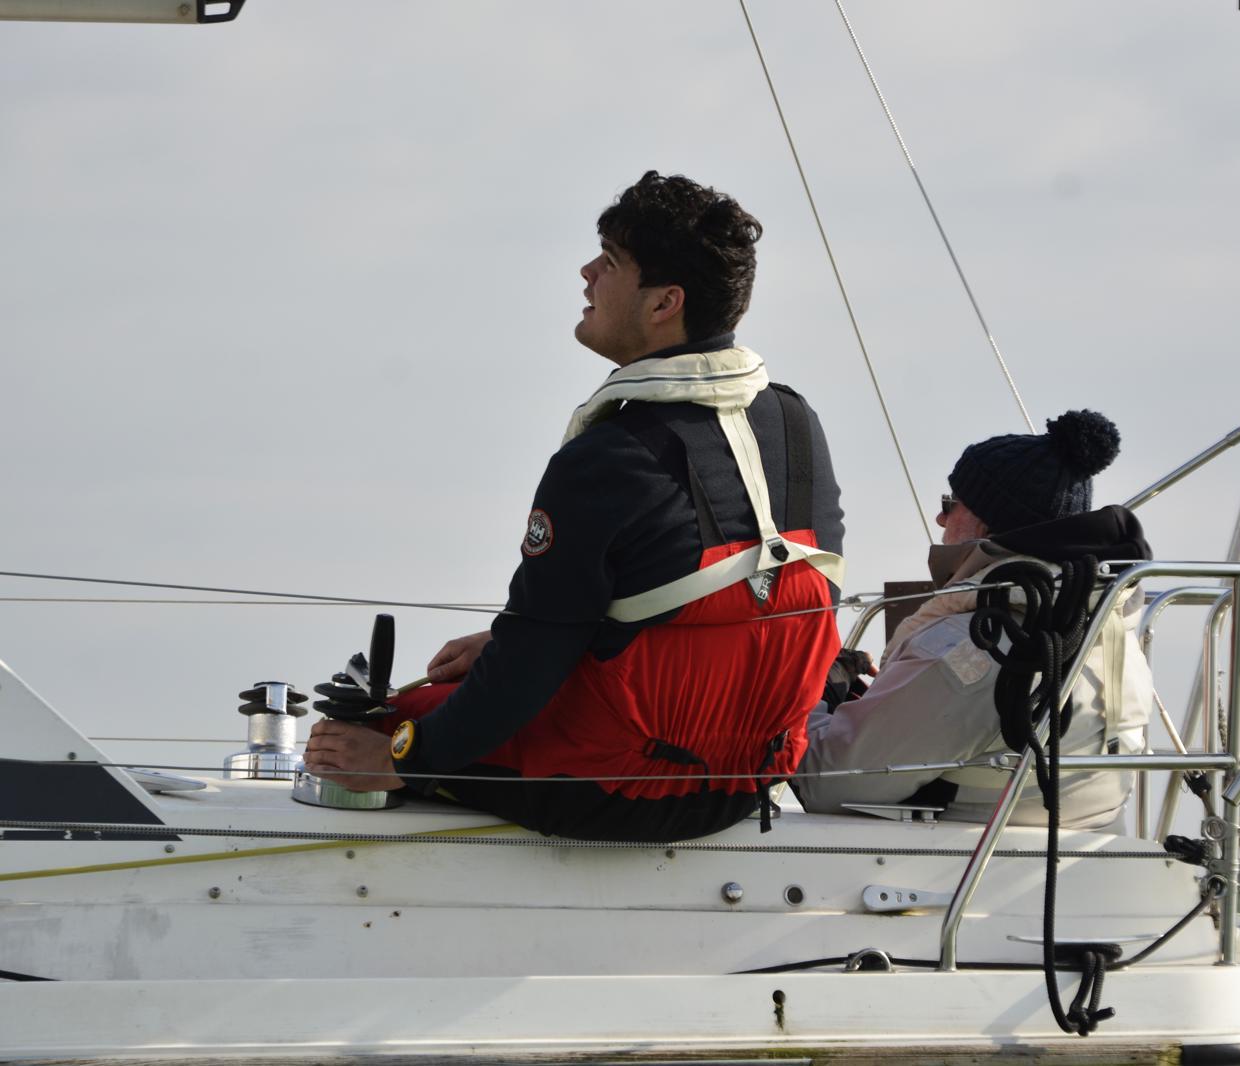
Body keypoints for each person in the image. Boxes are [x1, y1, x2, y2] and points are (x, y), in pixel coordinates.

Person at [305, 171, 846, 842]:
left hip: (622, 792)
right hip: (745, 784)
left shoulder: (609, 458)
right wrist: (514, 643)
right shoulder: (795, 422)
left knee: (387, 725)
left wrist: (398, 761)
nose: (587, 273)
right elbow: (739, 602)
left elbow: (528, 665)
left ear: (664, 303)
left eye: (611, 262)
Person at [794, 410, 1151, 830]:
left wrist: (811, 696)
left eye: (951, 504)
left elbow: (830, 783)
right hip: (1073, 845)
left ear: (986, 523)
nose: (941, 518)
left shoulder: (973, 646)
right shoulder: (1107, 624)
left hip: (953, 860)